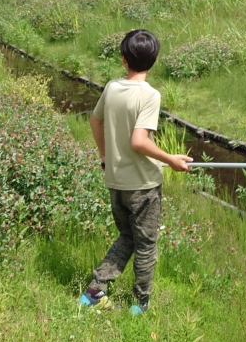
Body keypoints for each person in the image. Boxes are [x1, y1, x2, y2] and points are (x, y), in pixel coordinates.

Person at [80, 29, 193, 314]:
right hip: (142, 185)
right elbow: (139, 141)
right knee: (145, 245)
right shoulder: (150, 95)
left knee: (128, 237)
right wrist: (170, 160)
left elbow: (95, 122)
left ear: (124, 60)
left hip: (115, 181)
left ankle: (95, 290)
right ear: (153, 60)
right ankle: (140, 306)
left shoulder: (112, 87)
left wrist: (104, 155)